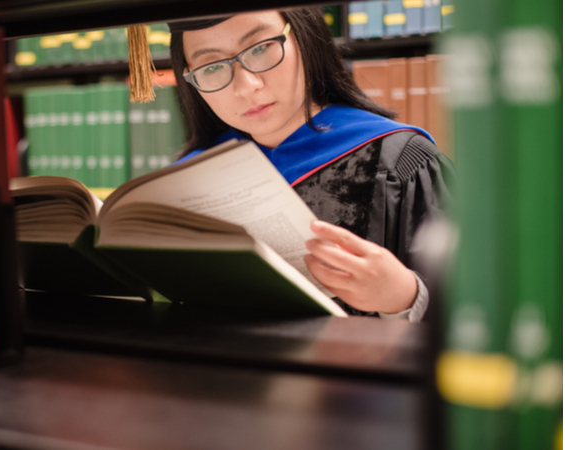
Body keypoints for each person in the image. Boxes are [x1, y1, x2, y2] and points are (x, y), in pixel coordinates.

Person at [165, 8, 455, 321]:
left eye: (261, 48)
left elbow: (481, 317)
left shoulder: (403, 161)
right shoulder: (189, 180)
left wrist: (405, 296)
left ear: (304, 38)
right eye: (211, 67)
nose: (246, 85)